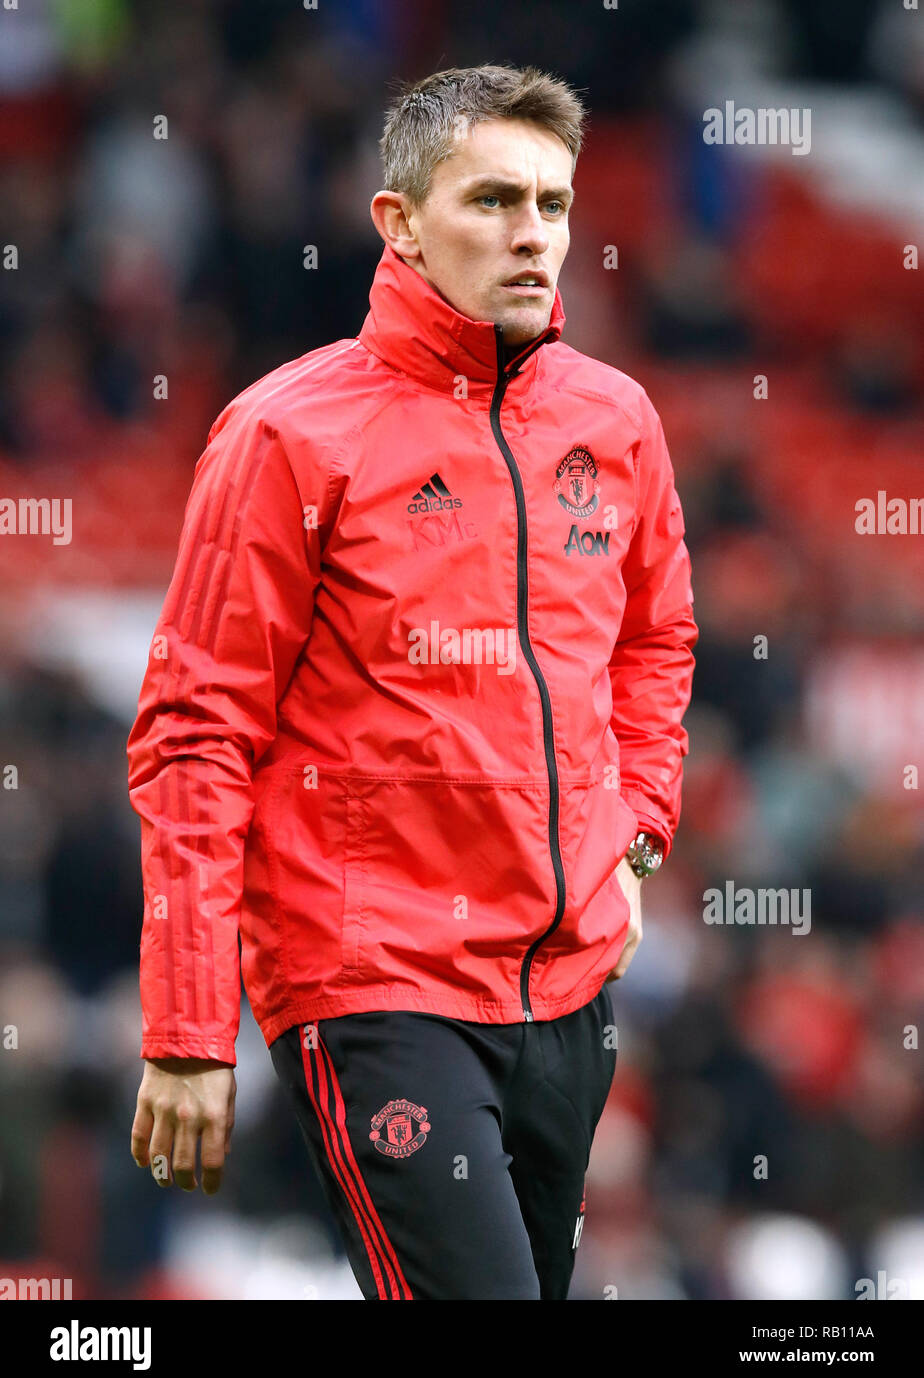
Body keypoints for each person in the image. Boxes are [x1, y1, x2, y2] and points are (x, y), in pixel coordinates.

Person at [126, 63, 697, 1300]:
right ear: (399, 223)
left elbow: (657, 643)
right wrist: (186, 1028)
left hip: (570, 987)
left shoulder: (619, 420)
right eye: (492, 200)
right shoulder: (287, 433)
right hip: (374, 979)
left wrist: (636, 836)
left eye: (552, 202)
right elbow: (193, 731)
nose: (532, 233)